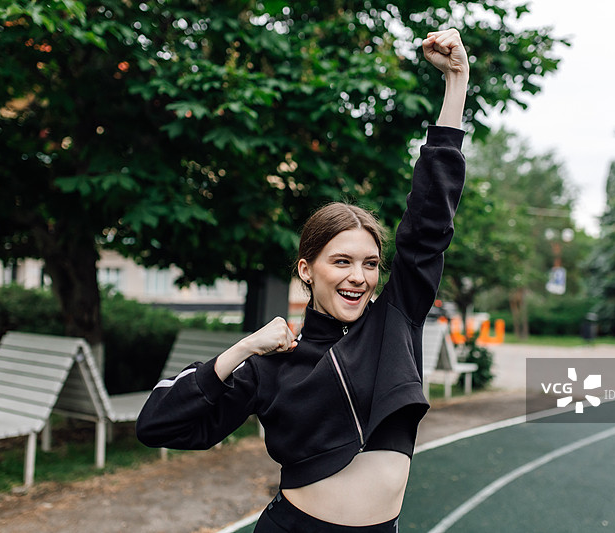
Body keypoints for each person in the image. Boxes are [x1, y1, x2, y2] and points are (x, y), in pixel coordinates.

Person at [136, 29, 469, 532]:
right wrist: (242, 350)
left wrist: (456, 83)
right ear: (306, 269)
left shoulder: (395, 321)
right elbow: (159, 423)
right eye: (340, 262)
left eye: (370, 263)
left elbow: (428, 224)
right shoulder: (273, 361)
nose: (358, 276)